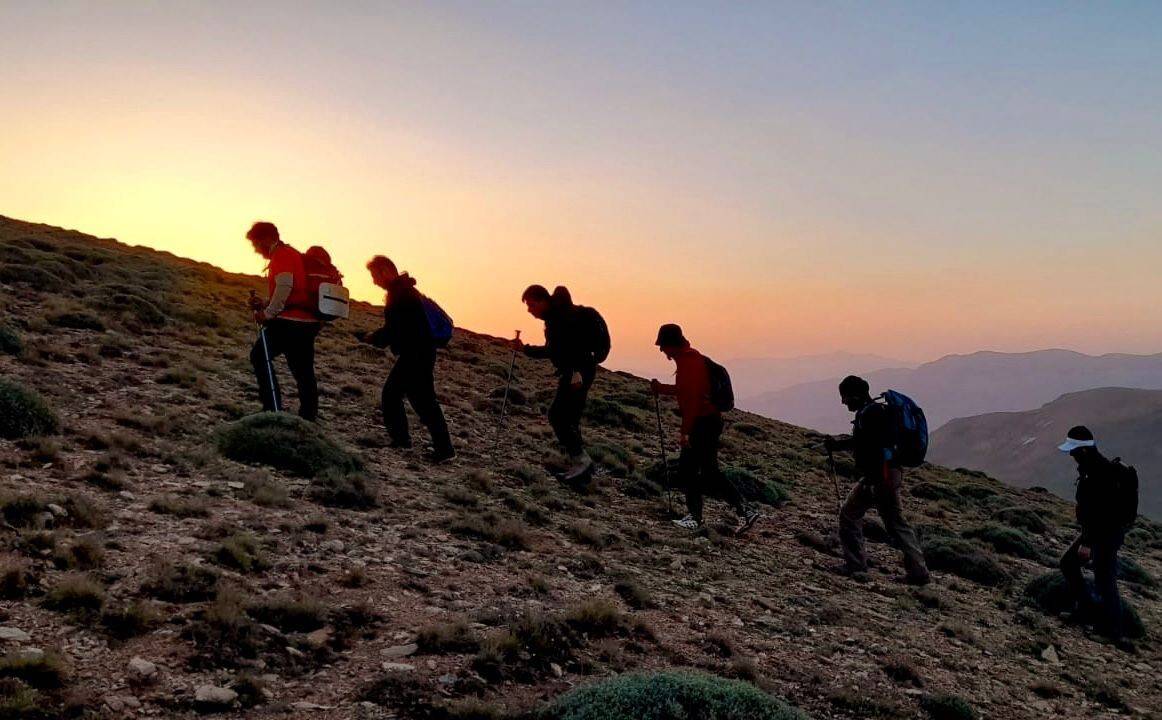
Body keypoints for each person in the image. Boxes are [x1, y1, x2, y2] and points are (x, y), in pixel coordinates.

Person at [650, 324, 759, 533]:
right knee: (710, 472)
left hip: (702, 423)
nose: (661, 350)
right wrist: (661, 389)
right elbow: (685, 391)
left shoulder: (688, 363)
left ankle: (695, 517)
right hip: (710, 421)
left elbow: (692, 402)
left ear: (671, 344)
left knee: (688, 469)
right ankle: (745, 509)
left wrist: (685, 433)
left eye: (662, 345)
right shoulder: (692, 359)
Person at [824, 375, 929, 585]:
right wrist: (837, 445)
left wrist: (873, 479)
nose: (843, 402)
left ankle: (856, 566)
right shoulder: (875, 411)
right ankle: (918, 571)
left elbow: (872, 447)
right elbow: (865, 442)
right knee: (896, 523)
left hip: (880, 477)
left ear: (855, 395)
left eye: (844, 397)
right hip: (888, 474)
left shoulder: (870, 414)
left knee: (849, 514)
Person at [357, 256, 454, 463]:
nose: (374, 281)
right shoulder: (406, 290)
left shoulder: (399, 294)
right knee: (422, 400)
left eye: (374, 275)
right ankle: (442, 448)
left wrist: (372, 338)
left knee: (393, 395)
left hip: (415, 353)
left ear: (385, 271)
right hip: (422, 351)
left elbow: (395, 329)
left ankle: (405, 441)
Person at [513, 285, 606, 481]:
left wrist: (526, 350)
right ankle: (581, 465)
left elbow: (558, 350)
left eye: (531, 305)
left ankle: (581, 461)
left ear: (542, 300)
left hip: (576, 373)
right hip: (582, 370)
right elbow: (556, 350)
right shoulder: (561, 316)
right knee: (570, 417)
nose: (530, 310)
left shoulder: (559, 320)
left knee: (558, 416)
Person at [1058, 425, 1133, 640]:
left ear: (1083, 451)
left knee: (1104, 579)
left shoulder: (1099, 474)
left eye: (1073, 450)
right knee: (1071, 565)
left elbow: (1100, 514)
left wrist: (1087, 543)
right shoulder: (1094, 468)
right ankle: (1087, 609)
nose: (1070, 455)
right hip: (1103, 532)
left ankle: (1113, 631)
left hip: (1104, 535)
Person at [246, 221, 321, 421]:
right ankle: (308, 418)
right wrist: (266, 303)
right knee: (303, 371)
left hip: (289, 323)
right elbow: (292, 291)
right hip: (307, 322)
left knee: (259, 356)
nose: (256, 249)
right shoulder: (292, 254)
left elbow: (285, 287)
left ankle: (272, 410)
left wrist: (268, 313)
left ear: (267, 238)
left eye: (256, 243)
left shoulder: (282, 254)